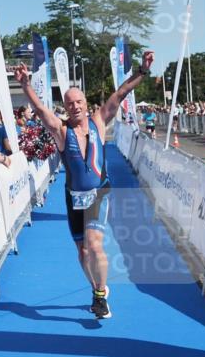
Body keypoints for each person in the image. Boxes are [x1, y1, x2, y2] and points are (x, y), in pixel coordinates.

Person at [13, 50, 153, 319]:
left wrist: (143, 71)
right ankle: (96, 288)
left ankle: (100, 297)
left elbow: (121, 92)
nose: (75, 106)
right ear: (65, 108)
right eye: (69, 103)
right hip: (73, 195)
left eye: (78, 101)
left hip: (99, 192)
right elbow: (42, 110)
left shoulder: (99, 121)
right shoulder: (61, 130)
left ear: (86, 103)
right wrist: (25, 85)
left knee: (94, 245)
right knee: (82, 251)